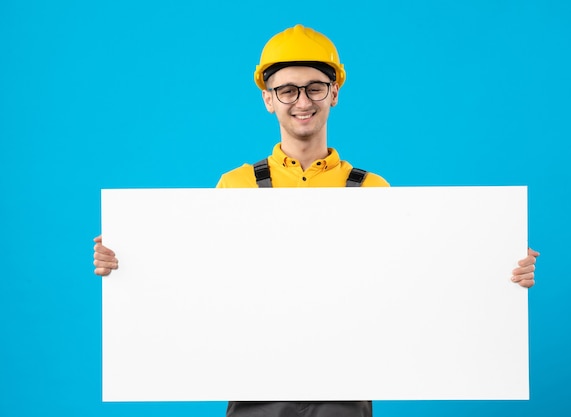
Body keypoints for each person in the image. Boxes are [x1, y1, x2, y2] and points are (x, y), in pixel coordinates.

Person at [93, 24, 540, 417]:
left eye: (315, 87)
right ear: (268, 99)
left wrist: (499, 273)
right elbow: (200, 278)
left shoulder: (372, 189)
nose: (301, 101)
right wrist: (128, 266)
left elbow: (417, 282)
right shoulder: (235, 186)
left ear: (334, 93)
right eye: (287, 89)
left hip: (346, 390)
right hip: (255, 388)